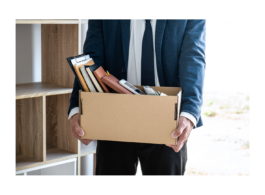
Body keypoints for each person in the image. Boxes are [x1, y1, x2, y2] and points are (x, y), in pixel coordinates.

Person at [68, 19, 206, 176]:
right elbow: (91, 59)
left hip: (167, 117)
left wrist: (189, 112)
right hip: (113, 115)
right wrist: (78, 107)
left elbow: (193, 58)